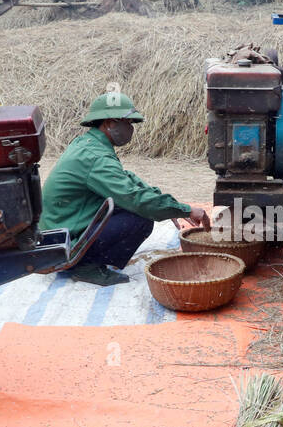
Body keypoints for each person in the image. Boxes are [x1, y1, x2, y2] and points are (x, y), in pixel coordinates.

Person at [40, 91, 211, 286]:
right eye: (127, 123)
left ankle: (85, 259)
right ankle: (84, 266)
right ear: (110, 123)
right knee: (141, 218)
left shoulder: (89, 144)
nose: (131, 128)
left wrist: (166, 203)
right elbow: (135, 198)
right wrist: (184, 210)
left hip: (60, 230)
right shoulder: (97, 157)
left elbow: (126, 180)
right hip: (61, 244)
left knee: (134, 207)